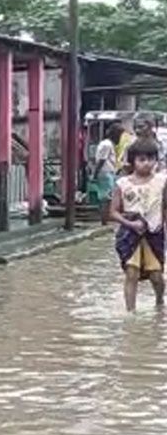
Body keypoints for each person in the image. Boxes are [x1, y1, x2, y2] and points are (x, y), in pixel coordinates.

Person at [110, 139, 167, 312]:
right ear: (133, 161)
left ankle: (159, 301)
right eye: (142, 159)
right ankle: (130, 312)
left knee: (156, 276)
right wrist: (130, 223)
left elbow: (165, 208)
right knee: (131, 273)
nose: (147, 163)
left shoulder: (162, 182)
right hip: (130, 234)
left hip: (154, 233)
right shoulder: (122, 184)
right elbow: (113, 212)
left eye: (151, 159)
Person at [95, 124, 123, 225]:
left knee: (108, 197)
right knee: (106, 198)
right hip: (105, 172)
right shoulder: (107, 144)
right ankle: (104, 220)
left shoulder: (108, 144)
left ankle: (106, 219)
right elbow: (102, 160)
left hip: (108, 172)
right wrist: (95, 173)